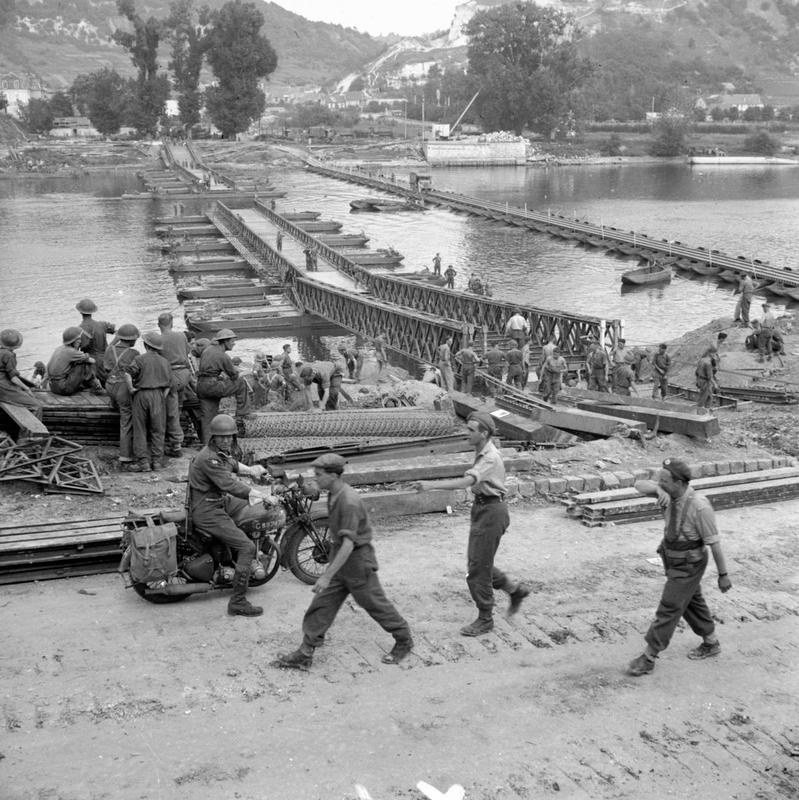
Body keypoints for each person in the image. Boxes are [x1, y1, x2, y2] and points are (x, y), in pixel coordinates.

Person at [274, 453, 413, 669]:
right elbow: (315, 491)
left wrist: (326, 576)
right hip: (340, 559)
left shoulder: (348, 501)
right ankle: (305, 651)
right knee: (321, 606)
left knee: (375, 604)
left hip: (357, 561)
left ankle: (404, 639)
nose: (316, 478)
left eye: (319, 475)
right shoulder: (335, 492)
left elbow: (349, 544)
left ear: (333, 475)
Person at [412, 412, 529, 636]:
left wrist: (429, 486)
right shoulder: (482, 450)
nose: (466, 433)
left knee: (477, 569)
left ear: (483, 433)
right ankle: (515, 590)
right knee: (479, 562)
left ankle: (485, 618)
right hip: (484, 509)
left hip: (492, 512)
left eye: (471, 430)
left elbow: (467, 481)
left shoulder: (490, 458)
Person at [627, 458, 732, 677]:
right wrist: (657, 488)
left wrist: (723, 575)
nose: (660, 483)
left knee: (670, 605)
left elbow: (714, 544)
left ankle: (649, 656)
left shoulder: (699, 506)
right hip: (671, 558)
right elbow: (638, 485)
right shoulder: (667, 492)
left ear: (680, 482)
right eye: (660, 479)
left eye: (665, 481)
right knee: (692, 601)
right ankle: (711, 642)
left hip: (689, 564)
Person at [188, 413, 272, 618]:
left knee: (251, 509)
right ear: (213, 437)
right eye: (221, 436)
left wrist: (252, 470)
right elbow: (229, 484)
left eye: (229, 436)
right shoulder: (208, 458)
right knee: (247, 546)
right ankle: (238, 601)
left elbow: (233, 464)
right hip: (208, 509)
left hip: (217, 501)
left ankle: (234, 555)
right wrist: (259, 493)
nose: (226, 440)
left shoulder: (218, 453)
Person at [126, 332, 173, 472]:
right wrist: (161, 397)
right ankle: (157, 462)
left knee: (140, 428)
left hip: (141, 394)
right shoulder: (165, 362)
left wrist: (131, 388)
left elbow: (128, 373)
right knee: (158, 430)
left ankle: (143, 463)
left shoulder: (139, 359)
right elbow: (169, 385)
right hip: (158, 395)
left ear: (146, 345)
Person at [195, 329, 251, 442]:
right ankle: (243, 413)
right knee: (241, 382)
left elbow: (208, 370)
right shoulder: (223, 356)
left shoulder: (207, 350)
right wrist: (245, 373)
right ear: (224, 341)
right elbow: (234, 376)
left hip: (201, 387)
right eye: (232, 341)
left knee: (208, 418)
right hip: (213, 386)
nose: (234, 343)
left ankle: (207, 444)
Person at [102, 324, 140, 468]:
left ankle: (113, 404)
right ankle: (125, 455)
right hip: (122, 389)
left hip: (109, 386)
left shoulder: (109, 349)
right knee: (126, 422)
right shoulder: (134, 353)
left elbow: (105, 368)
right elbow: (137, 372)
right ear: (132, 340)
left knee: (117, 405)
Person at [158, 312, 191, 457]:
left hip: (170, 376)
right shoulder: (182, 336)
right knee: (178, 407)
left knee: (171, 412)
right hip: (184, 374)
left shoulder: (158, 339)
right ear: (171, 323)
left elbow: (156, 360)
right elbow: (187, 352)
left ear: (159, 325)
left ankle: (176, 445)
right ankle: (176, 439)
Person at [46, 327, 102, 396]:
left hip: (53, 387)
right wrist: (86, 356)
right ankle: (96, 386)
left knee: (79, 361)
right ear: (73, 341)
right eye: (78, 340)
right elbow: (92, 361)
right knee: (84, 363)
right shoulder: (71, 352)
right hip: (63, 389)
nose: (80, 342)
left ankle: (86, 384)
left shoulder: (59, 349)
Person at [0, 329, 42, 417]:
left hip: (3, 385)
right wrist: (27, 388)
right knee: (36, 405)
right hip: (3, 389)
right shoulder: (9, 355)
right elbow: (13, 378)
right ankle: (33, 430)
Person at [75, 298, 115, 384]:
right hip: (105, 361)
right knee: (107, 383)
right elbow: (117, 331)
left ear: (80, 312)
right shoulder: (103, 324)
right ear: (92, 312)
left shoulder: (78, 330)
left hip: (91, 364)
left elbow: (75, 352)